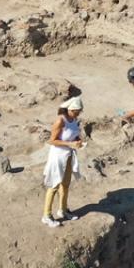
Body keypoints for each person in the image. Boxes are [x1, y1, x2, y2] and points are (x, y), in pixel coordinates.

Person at [42, 96, 84, 227]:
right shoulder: (60, 121)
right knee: (54, 185)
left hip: (69, 155)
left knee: (65, 184)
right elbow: (52, 140)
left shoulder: (74, 119)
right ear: (70, 110)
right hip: (58, 156)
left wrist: (77, 140)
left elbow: (73, 133)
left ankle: (63, 210)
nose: (78, 114)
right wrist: (70, 144)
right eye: (77, 111)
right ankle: (47, 215)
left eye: (79, 111)